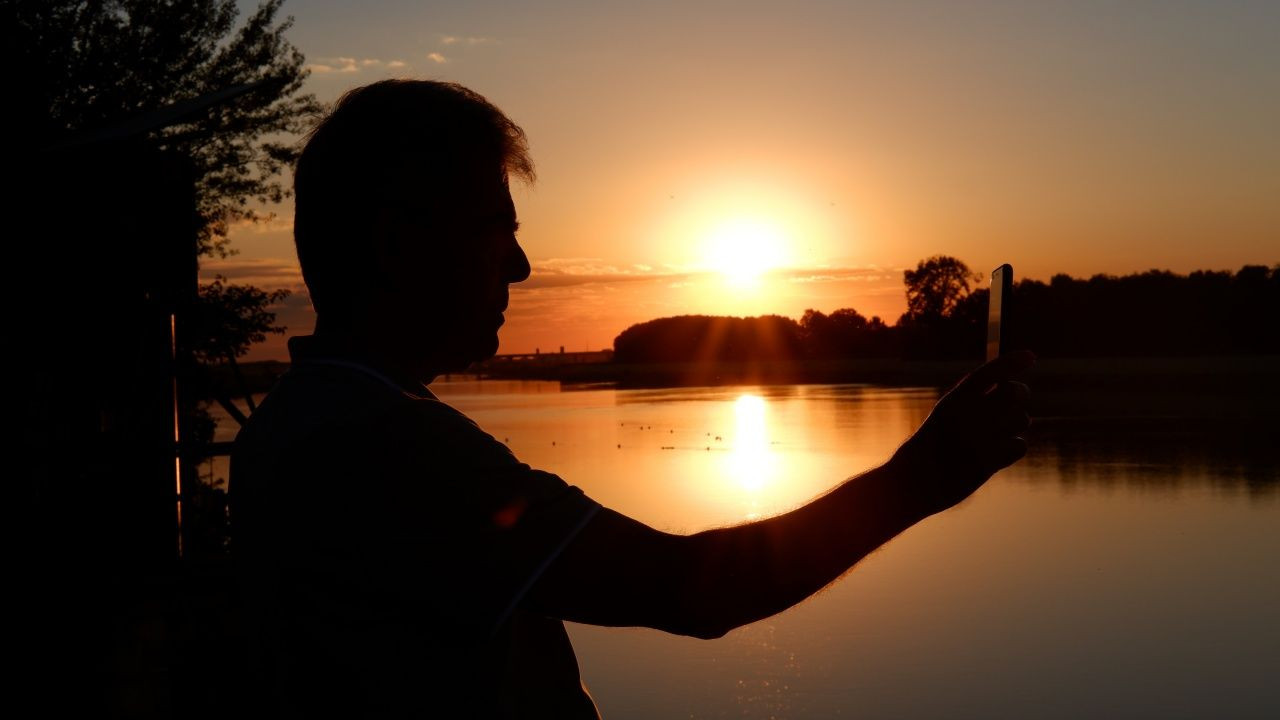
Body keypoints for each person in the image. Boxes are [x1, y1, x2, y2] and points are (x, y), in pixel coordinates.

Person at [229, 79, 1033, 718]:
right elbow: (690, 589)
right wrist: (920, 480)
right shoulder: (383, 447)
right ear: (395, 244)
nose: (520, 267)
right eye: (494, 229)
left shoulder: (307, 418)